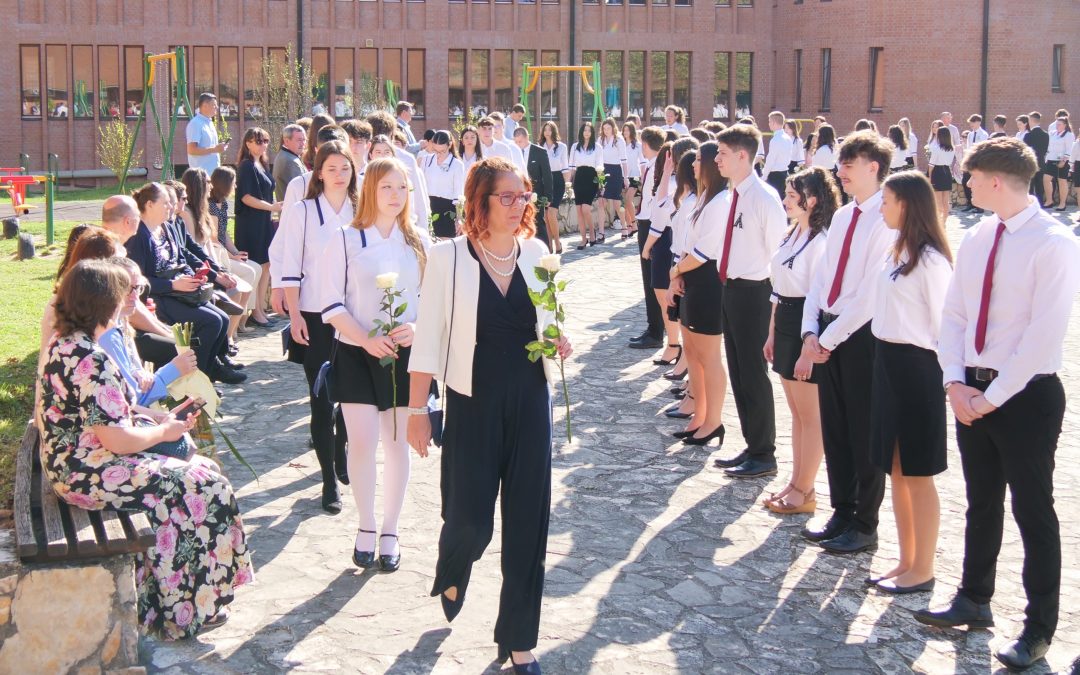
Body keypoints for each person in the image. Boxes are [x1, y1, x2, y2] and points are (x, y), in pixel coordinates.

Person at [914, 137, 1080, 671]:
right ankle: (974, 597)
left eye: (971, 176)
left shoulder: (1054, 243)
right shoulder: (982, 234)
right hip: (972, 389)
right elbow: (955, 313)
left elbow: (1042, 334)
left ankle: (1038, 628)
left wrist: (992, 397)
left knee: (1033, 510)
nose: (964, 183)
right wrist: (954, 382)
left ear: (994, 180)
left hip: (1026, 396)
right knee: (981, 501)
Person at [406, 157, 572, 675]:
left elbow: (550, 321)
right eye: (508, 196)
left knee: (528, 522)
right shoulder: (448, 257)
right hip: (472, 402)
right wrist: (417, 409)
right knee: (469, 521)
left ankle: (518, 639)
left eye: (524, 196)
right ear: (480, 201)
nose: (519, 204)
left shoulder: (538, 253)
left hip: (530, 401)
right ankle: (454, 564)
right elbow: (427, 339)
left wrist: (558, 339)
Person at [36, 258, 253, 640]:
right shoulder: (90, 358)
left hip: (77, 463)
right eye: (119, 295)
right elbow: (117, 440)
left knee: (200, 477)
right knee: (204, 486)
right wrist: (164, 430)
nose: (124, 303)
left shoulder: (67, 345)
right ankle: (181, 609)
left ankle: (187, 598)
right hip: (87, 471)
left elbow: (105, 417)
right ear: (102, 303)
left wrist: (151, 420)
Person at [317, 157, 430, 571]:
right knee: (362, 442)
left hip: (403, 356)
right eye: (386, 187)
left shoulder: (420, 241)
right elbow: (331, 304)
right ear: (370, 190)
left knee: (397, 444)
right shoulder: (346, 239)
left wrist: (416, 327)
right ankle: (365, 524)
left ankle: (390, 530)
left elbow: (433, 301)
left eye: (401, 187)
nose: (395, 195)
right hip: (355, 352)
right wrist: (366, 339)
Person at [799, 130, 897, 554]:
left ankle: (865, 522)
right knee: (835, 427)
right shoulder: (842, 217)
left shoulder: (886, 219)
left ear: (873, 167)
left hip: (859, 337)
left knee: (862, 430)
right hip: (828, 332)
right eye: (840, 164)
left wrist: (828, 339)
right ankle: (842, 510)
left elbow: (871, 294)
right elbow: (821, 278)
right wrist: (810, 331)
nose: (840, 172)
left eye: (849, 165)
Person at [866, 170, 952, 594]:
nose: (881, 208)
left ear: (907, 204)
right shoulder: (895, 250)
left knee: (918, 471)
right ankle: (906, 559)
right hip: (887, 362)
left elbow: (944, 327)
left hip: (917, 368)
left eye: (886, 201)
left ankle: (924, 567)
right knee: (896, 469)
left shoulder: (931, 261)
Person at [279, 141, 358, 513]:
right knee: (321, 399)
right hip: (314, 315)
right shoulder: (304, 211)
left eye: (345, 168)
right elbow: (290, 265)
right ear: (319, 173)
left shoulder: (363, 208)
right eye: (331, 168)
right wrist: (294, 315)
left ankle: (342, 451)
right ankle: (329, 481)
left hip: (355, 316)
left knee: (352, 396)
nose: (339, 175)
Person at [707, 125, 787, 476]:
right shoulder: (733, 196)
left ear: (743, 156)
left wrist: (774, 311)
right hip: (731, 290)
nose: (717, 159)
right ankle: (753, 444)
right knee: (739, 372)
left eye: (723, 153)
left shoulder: (764, 199)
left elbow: (778, 256)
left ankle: (764, 452)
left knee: (753, 373)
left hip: (755, 293)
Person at [762, 168, 837, 514]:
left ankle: (806, 489)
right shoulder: (792, 233)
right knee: (796, 413)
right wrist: (772, 331)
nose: (786, 201)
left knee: (811, 415)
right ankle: (795, 481)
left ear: (814, 199)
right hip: (786, 319)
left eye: (793, 195)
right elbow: (778, 289)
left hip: (808, 324)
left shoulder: (822, 241)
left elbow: (819, 298)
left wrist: (809, 346)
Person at [124, 183, 244, 385]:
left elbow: (182, 257)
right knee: (210, 322)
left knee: (222, 318)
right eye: (165, 203)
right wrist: (173, 285)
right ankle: (194, 380)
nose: (171, 207)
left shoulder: (166, 227)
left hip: (180, 292)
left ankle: (207, 372)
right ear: (150, 204)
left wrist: (196, 277)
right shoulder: (139, 236)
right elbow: (140, 280)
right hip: (158, 297)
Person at [666, 143, 729, 444]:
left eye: (699, 159)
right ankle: (699, 414)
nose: (693, 164)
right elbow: (688, 243)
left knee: (709, 356)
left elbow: (704, 252)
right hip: (691, 277)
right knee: (691, 350)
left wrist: (677, 271)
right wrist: (679, 273)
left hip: (708, 281)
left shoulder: (721, 201)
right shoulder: (705, 198)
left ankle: (712, 420)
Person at [98, 257, 199, 407]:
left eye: (138, 288)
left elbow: (134, 374)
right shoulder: (106, 336)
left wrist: (138, 371)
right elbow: (133, 400)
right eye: (126, 288)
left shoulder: (121, 319)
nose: (135, 296)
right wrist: (172, 371)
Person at [99, 197, 181, 367]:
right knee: (175, 347)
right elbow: (129, 309)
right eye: (138, 215)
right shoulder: (107, 252)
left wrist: (165, 329)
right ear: (128, 221)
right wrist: (167, 334)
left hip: (123, 323)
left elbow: (134, 301)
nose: (141, 219)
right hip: (109, 330)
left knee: (177, 340)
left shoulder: (117, 247)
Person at [235, 127, 284, 325]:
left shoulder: (262, 164)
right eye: (258, 141)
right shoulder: (247, 166)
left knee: (266, 265)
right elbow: (246, 197)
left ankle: (260, 309)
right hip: (251, 223)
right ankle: (254, 312)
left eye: (265, 141)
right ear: (248, 143)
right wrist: (271, 207)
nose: (263, 145)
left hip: (263, 220)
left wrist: (273, 207)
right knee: (256, 264)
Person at [209, 166, 264, 331]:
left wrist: (235, 252)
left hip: (225, 253)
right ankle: (236, 322)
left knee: (257, 267)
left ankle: (242, 320)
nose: (236, 186)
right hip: (216, 255)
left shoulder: (224, 204)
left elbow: (224, 233)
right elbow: (214, 239)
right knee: (249, 272)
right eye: (233, 183)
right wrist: (232, 257)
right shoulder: (210, 206)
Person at [629, 126, 667, 350]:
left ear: (644, 144)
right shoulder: (654, 164)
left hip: (651, 225)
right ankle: (653, 327)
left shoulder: (657, 167)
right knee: (650, 280)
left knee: (652, 280)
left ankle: (655, 331)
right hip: (648, 223)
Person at [513, 126, 554, 250]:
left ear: (527, 138)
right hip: (519, 192)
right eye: (516, 142)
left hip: (536, 193)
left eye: (520, 141)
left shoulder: (539, 152)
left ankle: (546, 249)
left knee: (538, 221)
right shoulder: (513, 151)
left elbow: (547, 175)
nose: (518, 144)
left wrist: (548, 196)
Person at [422, 130, 466, 239]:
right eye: (436, 151)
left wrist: (459, 218)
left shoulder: (457, 165)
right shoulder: (426, 160)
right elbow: (421, 186)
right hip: (428, 207)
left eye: (442, 151)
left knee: (446, 244)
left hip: (447, 209)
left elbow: (458, 193)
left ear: (449, 145)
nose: (439, 155)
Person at [568, 121, 603, 250]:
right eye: (585, 130)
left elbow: (600, 166)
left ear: (592, 133)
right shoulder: (575, 146)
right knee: (579, 210)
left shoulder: (597, 147)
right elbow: (571, 167)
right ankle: (583, 239)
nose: (587, 133)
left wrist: (601, 183)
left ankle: (592, 234)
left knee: (586, 209)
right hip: (579, 177)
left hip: (592, 177)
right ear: (581, 132)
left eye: (589, 130)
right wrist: (569, 182)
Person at [597, 118, 629, 240]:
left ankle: (624, 227)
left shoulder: (619, 140)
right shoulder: (600, 140)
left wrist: (625, 177)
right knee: (601, 201)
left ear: (613, 128)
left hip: (615, 171)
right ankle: (601, 232)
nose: (606, 131)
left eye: (608, 128)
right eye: (604, 128)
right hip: (603, 171)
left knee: (617, 203)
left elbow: (624, 160)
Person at [540, 121, 569, 253]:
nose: (547, 132)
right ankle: (549, 245)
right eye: (545, 129)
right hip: (544, 181)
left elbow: (565, 167)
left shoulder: (562, 147)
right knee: (546, 216)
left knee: (552, 212)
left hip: (557, 181)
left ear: (554, 131)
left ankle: (557, 242)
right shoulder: (539, 147)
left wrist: (568, 185)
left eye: (549, 129)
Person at [186, 93, 227, 173]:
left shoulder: (209, 123)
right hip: (201, 175)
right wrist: (215, 149)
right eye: (214, 105)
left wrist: (218, 147)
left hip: (213, 173)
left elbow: (212, 147)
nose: (217, 107)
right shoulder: (195, 123)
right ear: (205, 105)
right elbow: (191, 150)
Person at [1042, 116, 1074, 211]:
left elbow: (1069, 149)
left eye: (1059, 124)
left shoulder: (1069, 135)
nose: (1057, 126)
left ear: (1065, 125)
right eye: (1056, 124)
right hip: (1051, 159)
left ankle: (1062, 204)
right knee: (1046, 179)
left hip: (1062, 160)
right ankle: (1049, 201)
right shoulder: (1052, 133)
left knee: (1062, 181)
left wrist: (1064, 161)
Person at [961, 115, 990, 214]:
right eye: (970, 123)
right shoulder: (970, 134)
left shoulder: (983, 134)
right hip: (971, 160)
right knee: (965, 181)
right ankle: (970, 203)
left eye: (973, 122)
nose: (971, 125)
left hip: (979, 162)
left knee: (978, 183)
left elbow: (982, 149)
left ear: (978, 122)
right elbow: (968, 148)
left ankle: (979, 206)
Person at [927, 127, 956, 223]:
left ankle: (939, 221)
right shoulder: (952, 149)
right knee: (945, 200)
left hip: (937, 172)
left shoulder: (936, 149)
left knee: (938, 200)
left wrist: (929, 177)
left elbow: (931, 165)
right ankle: (944, 221)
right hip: (947, 172)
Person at [762, 112, 794, 198]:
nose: (769, 124)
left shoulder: (776, 139)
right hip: (784, 173)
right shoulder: (788, 138)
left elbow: (771, 160)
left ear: (774, 123)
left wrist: (764, 176)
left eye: (769, 121)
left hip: (775, 176)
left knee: (774, 200)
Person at [273, 123, 307, 201]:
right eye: (299, 140)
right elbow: (302, 190)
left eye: (304, 140)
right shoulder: (290, 161)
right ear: (287, 141)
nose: (303, 143)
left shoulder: (287, 156)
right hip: (293, 207)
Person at [1024, 111, 1050, 204]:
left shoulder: (1028, 135)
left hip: (1030, 163)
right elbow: (1045, 149)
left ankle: (1030, 205)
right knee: (1040, 186)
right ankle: (1040, 204)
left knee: (1030, 187)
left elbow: (1025, 150)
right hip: (1041, 162)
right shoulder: (1046, 135)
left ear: (1031, 120)